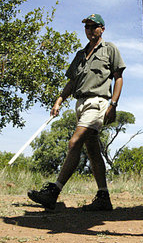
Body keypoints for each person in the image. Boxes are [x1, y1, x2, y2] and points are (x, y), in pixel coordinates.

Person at [28, 14, 126, 211]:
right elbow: (72, 82)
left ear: (102, 29)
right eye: (87, 27)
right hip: (79, 104)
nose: (90, 30)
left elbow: (118, 78)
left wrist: (113, 105)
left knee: (74, 142)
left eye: (94, 26)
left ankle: (53, 192)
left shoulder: (110, 49)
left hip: (97, 102)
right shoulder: (80, 54)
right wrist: (59, 100)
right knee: (92, 150)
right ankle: (103, 197)